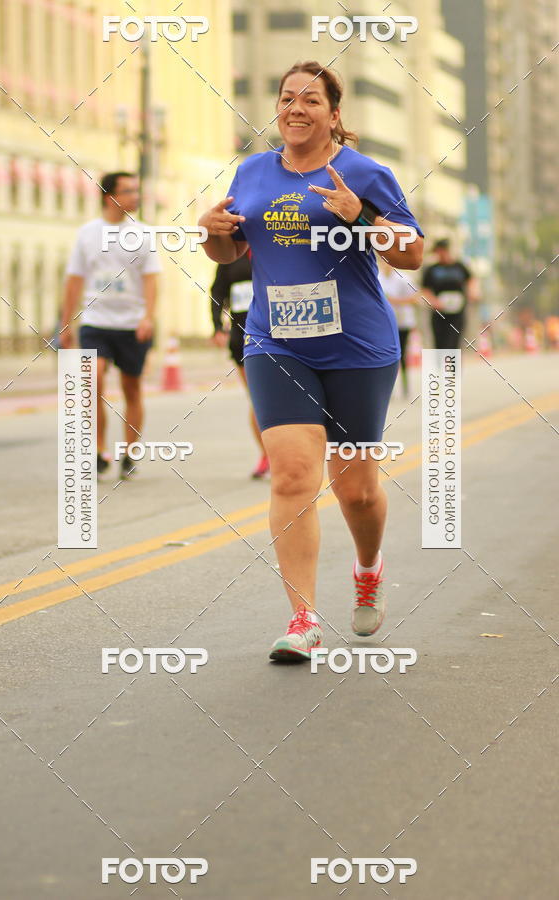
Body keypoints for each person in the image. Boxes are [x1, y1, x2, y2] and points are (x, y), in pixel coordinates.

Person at [198, 60, 424, 661]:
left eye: (310, 100)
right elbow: (229, 250)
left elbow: (412, 254)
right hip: (276, 342)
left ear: (334, 114)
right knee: (294, 474)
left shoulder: (364, 172)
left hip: (358, 347)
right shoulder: (251, 173)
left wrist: (365, 218)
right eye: (286, 98)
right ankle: (303, 618)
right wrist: (209, 231)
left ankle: (368, 567)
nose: (296, 108)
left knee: (355, 492)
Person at [60, 172, 161, 478]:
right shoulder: (87, 234)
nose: (135, 196)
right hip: (95, 321)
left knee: (132, 389)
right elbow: (74, 280)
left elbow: (152, 280)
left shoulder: (143, 234)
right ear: (110, 197)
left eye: (136, 189)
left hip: (131, 324)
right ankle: (99, 450)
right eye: (128, 191)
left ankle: (129, 454)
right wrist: (66, 324)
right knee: (93, 382)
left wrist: (148, 317)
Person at [210, 250, 269, 478]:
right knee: (258, 397)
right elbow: (217, 292)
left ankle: (285, 451)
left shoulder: (275, 246)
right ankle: (266, 454)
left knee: (277, 396)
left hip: (277, 334)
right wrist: (216, 327)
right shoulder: (231, 253)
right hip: (242, 336)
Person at [421, 238, 478, 350]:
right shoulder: (432, 269)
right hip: (439, 312)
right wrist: (434, 301)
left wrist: (473, 292)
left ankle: (451, 367)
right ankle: (438, 367)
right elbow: (425, 289)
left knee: (453, 343)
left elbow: (471, 281)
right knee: (439, 343)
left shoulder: (460, 267)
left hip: (457, 311)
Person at [378, 260, 419, 397]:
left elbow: (415, 298)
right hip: (385, 323)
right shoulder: (378, 277)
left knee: (402, 355)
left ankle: (405, 387)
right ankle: (390, 389)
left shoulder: (403, 278)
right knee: (388, 355)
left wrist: (394, 301)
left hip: (402, 322)